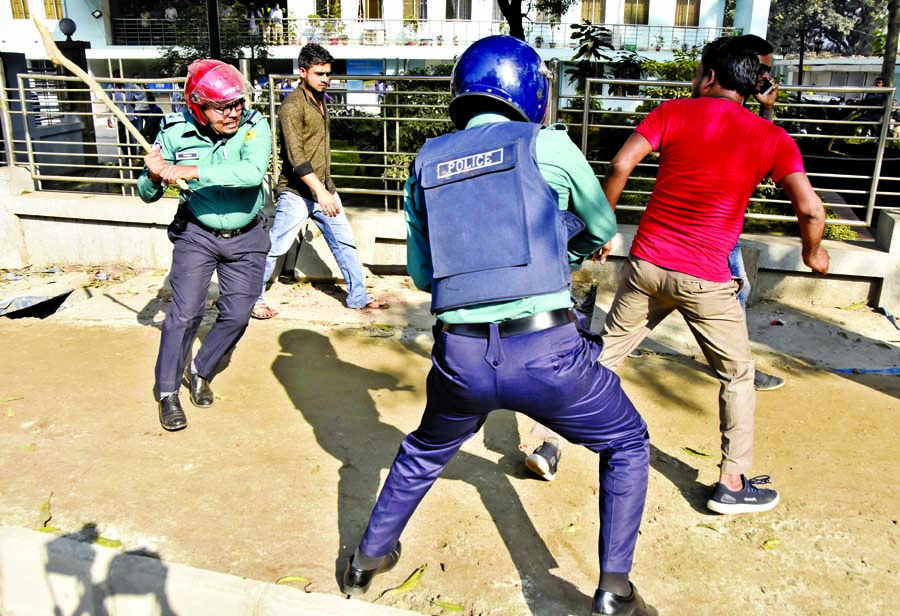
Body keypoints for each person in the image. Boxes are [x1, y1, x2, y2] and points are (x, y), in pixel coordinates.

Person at [339, 36, 656, 616]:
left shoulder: (426, 159)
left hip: (459, 357)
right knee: (628, 443)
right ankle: (614, 591)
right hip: (548, 353)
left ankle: (365, 561)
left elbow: (421, 271)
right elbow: (601, 224)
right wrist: (564, 245)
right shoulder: (548, 144)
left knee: (423, 451)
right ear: (530, 92)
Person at [597, 36, 829, 514]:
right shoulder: (772, 137)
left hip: (647, 266)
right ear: (751, 82)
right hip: (707, 279)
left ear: (709, 77)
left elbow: (621, 163)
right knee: (738, 376)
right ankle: (732, 482)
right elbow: (810, 210)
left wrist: (604, 225)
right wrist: (813, 253)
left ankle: (549, 445)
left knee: (605, 357)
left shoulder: (673, 112)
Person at [137, 59, 272, 431]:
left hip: (248, 236)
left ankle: (201, 370)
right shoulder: (175, 132)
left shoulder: (254, 126)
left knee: (238, 314)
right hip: (197, 234)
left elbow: (251, 174)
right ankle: (167, 393)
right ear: (199, 106)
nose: (233, 112)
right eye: (222, 106)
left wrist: (190, 170)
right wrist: (153, 174)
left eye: (237, 103)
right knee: (184, 314)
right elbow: (147, 193)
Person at [253, 43, 386, 319]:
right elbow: (296, 157)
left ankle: (358, 297)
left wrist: (326, 190)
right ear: (303, 72)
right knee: (275, 246)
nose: (326, 79)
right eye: (319, 73)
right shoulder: (292, 107)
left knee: (345, 242)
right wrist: (320, 193)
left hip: (324, 188)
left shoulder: (321, 99)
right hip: (297, 192)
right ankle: (251, 299)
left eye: (328, 73)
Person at [728, 34, 784, 391]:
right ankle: (741, 371)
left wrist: (765, 110)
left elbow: (761, 158)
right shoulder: (721, 107)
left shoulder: (741, 111)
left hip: (722, 225)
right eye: (761, 68)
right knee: (736, 293)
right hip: (711, 229)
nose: (765, 76)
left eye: (768, 70)